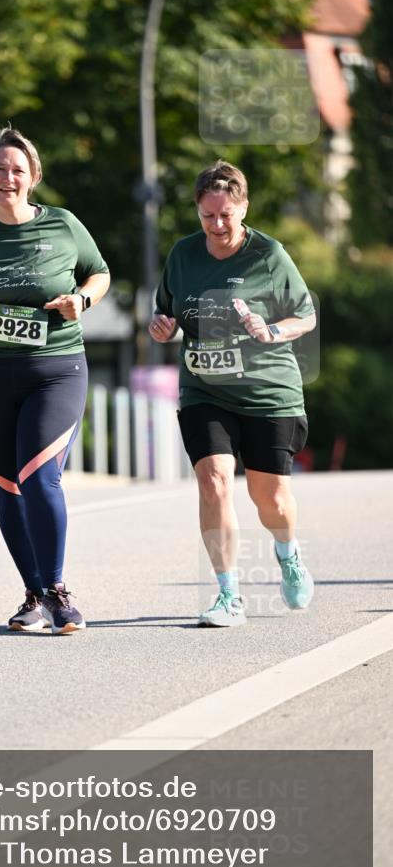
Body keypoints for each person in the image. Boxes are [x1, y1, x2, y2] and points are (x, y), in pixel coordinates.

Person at [0, 127, 110, 634]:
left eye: (17, 169)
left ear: (33, 177)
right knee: (7, 487)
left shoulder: (64, 226)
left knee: (38, 475)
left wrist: (83, 300)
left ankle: (56, 590)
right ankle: (33, 593)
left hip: (55, 369)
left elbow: (99, 273)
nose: (8, 178)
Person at [149, 160, 316, 627]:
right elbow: (165, 319)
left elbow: (306, 316)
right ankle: (228, 596)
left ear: (243, 208)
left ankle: (288, 554)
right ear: (198, 212)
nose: (218, 225)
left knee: (272, 499)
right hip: (205, 388)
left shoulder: (269, 255)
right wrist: (162, 329)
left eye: (226, 215)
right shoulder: (183, 256)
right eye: (208, 216)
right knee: (215, 480)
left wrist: (272, 329)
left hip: (268, 392)